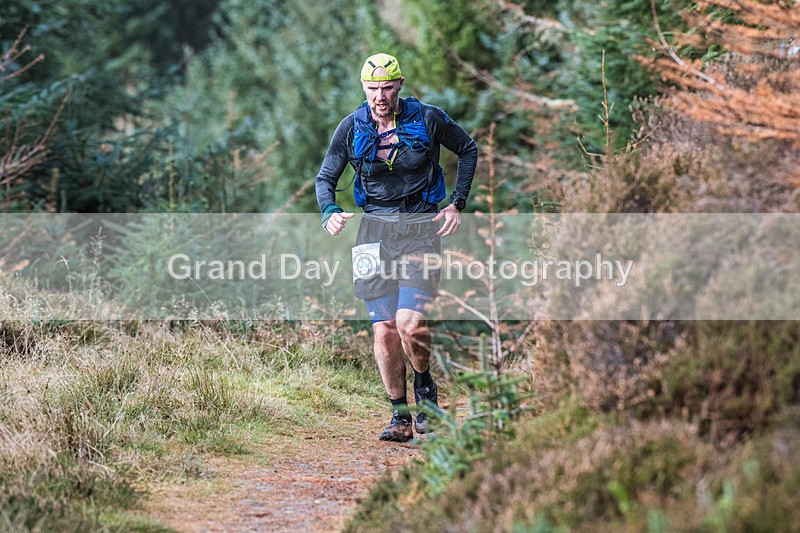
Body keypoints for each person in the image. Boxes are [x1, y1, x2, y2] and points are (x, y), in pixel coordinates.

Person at [315, 53, 477, 442]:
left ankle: (427, 393)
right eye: (372, 88)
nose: (380, 96)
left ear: (400, 85)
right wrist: (329, 211)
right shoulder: (351, 126)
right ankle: (400, 416)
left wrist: (457, 202)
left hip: (421, 227)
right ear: (364, 89)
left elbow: (468, 149)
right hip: (373, 233)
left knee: (410, 323)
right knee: (385, 331)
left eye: (387, 87)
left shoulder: (428, 118)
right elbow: (325, 178)